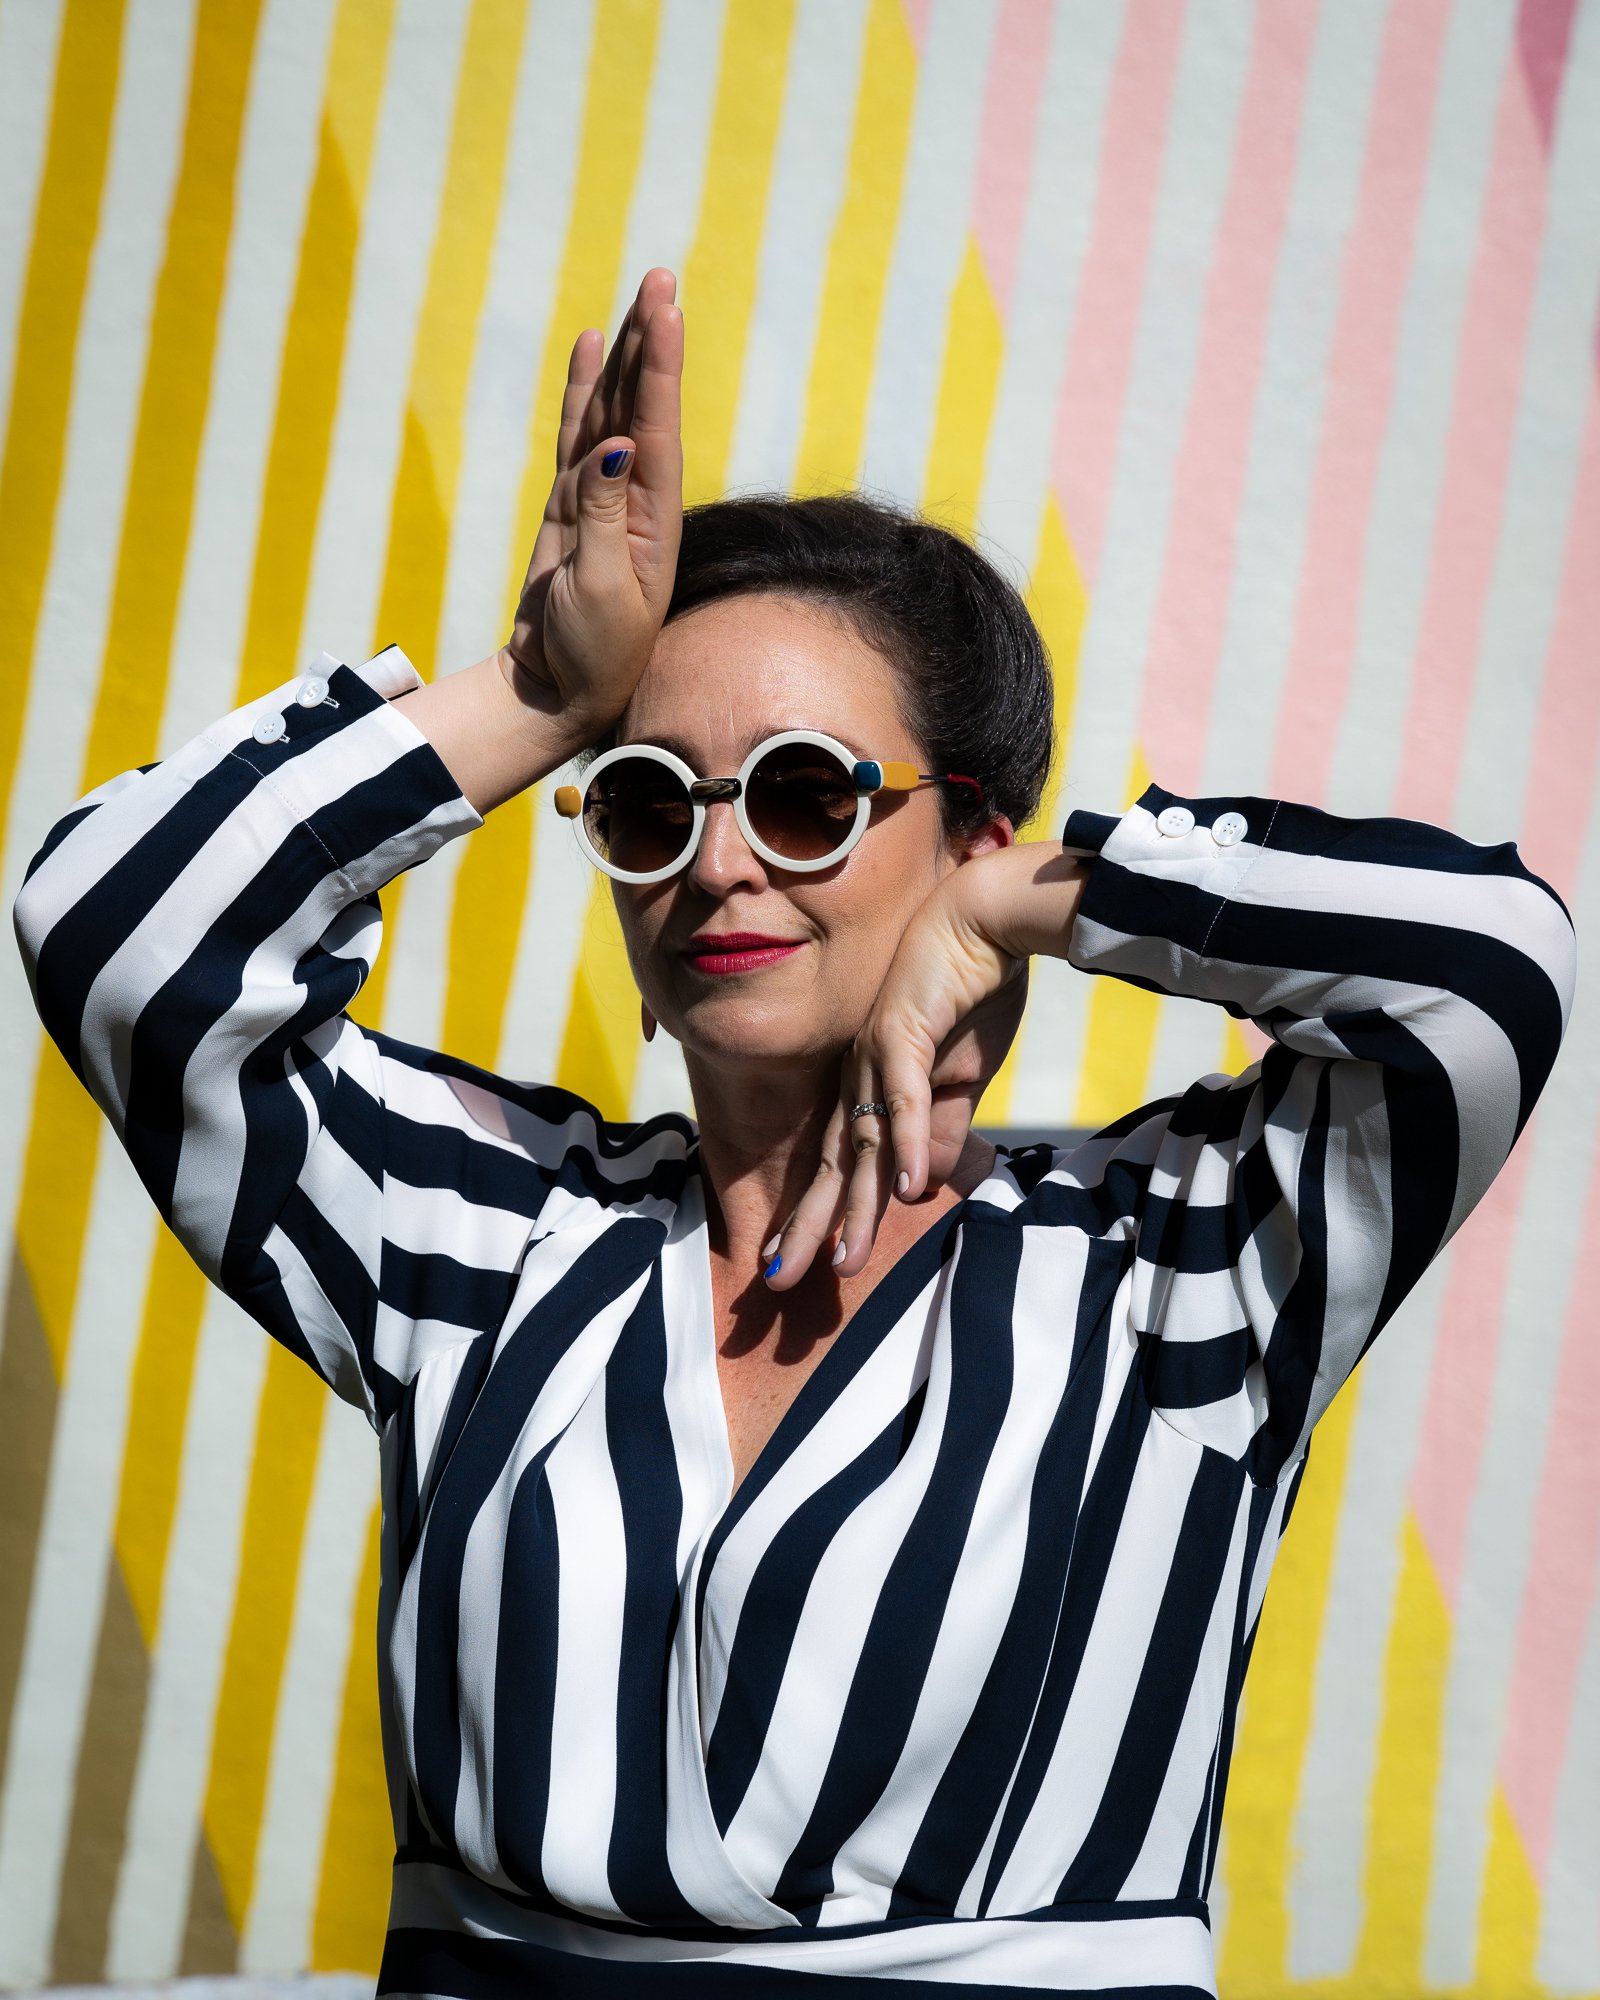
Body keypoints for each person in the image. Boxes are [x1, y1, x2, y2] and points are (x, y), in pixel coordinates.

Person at [12, 266, 1577, 1998]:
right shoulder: (486, 1233)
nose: (721, 861)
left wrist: (1033, 909)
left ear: (967, 825)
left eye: (807, 793)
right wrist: (537, 692)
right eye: (644, 797)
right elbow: (115, 925)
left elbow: (1486, 969)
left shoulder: (1180, 1264)